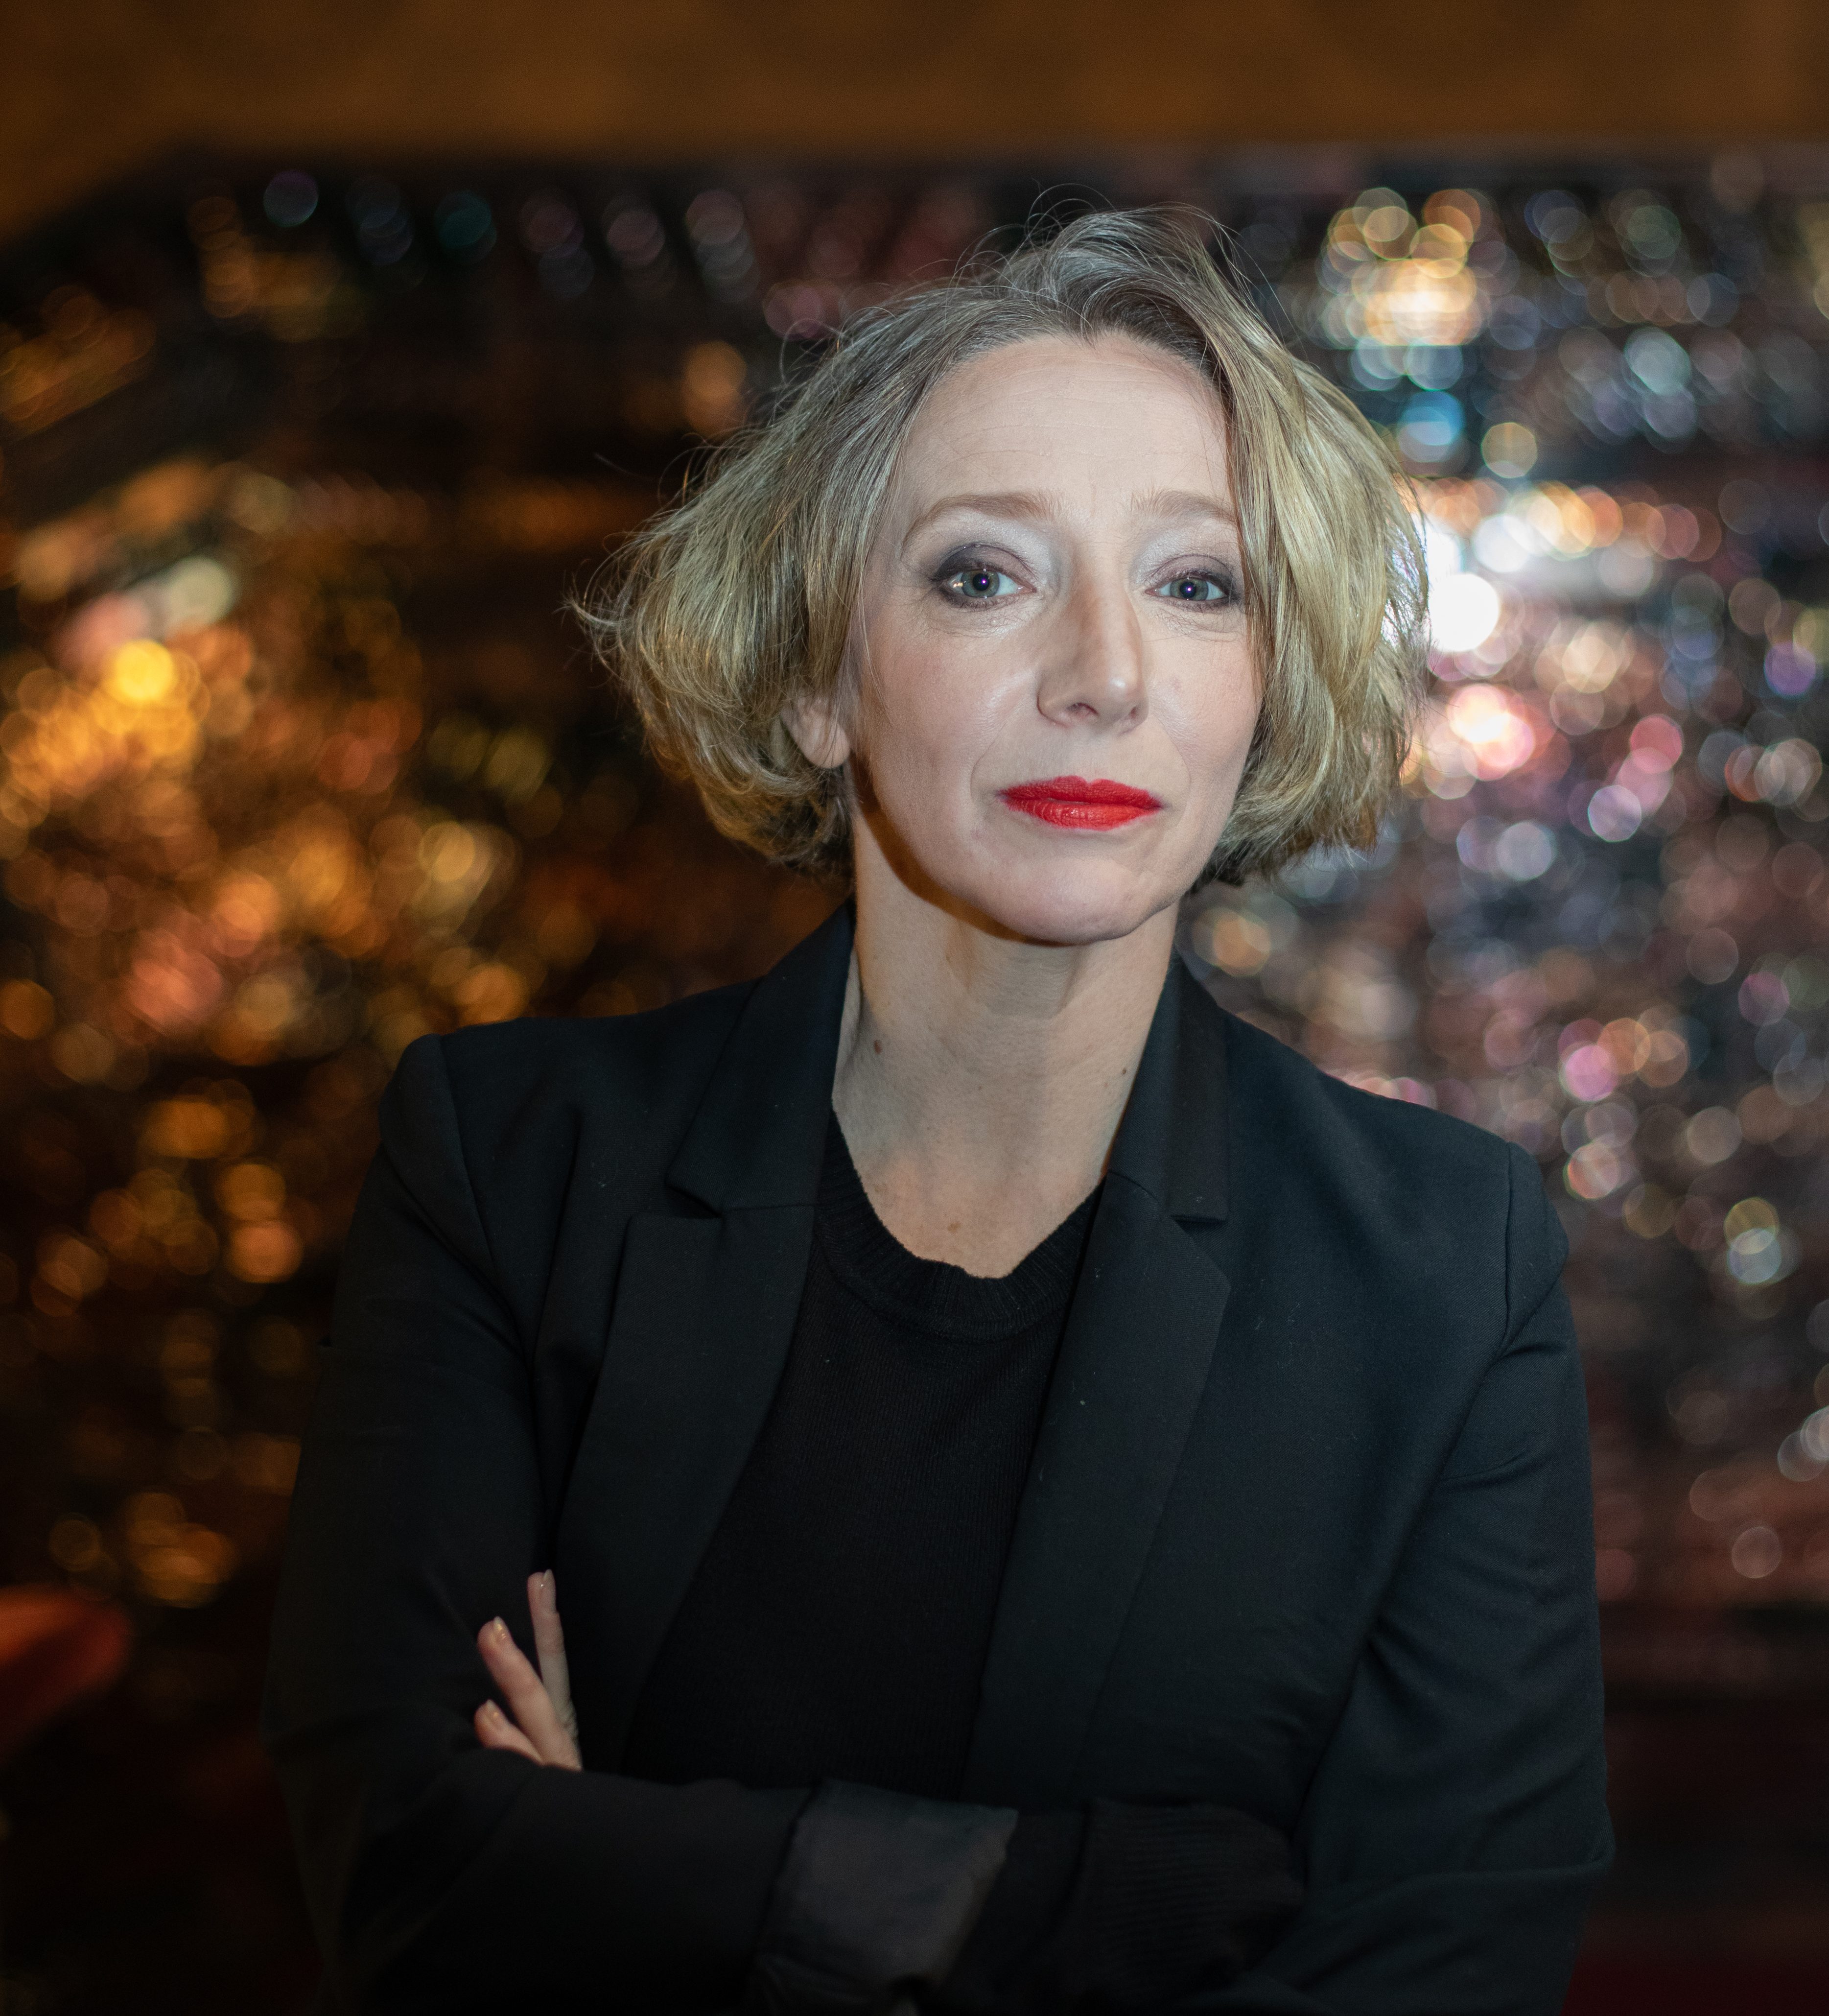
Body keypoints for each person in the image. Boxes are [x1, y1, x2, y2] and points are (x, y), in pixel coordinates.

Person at [265, 209, 1610, 2015]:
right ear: (817, 675)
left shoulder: (1447, 1266)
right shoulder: (511, 1166)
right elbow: (411, 1884)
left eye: (1196, 585)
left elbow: (1443, 1974)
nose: (1105, 671)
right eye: (985, 575)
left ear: (1265, 682)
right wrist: (1123, 1906)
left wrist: (635, 1868)